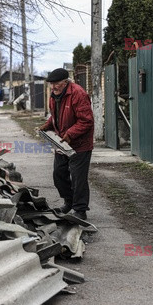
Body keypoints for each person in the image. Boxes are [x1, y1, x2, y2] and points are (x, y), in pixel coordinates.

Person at [38, 68, 94, 220]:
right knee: (59, 174)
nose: (53, 87)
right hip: (62, 142)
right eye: (51, 84)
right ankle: (69, 202)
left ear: (65, 82)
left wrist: (70, 134)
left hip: (79, 144)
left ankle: (80, 210)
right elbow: (56, 116)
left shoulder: (78, 94)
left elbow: (86, 121)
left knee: (78, 178)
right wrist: (48, 125)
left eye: (56, 84)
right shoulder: (54, 96)